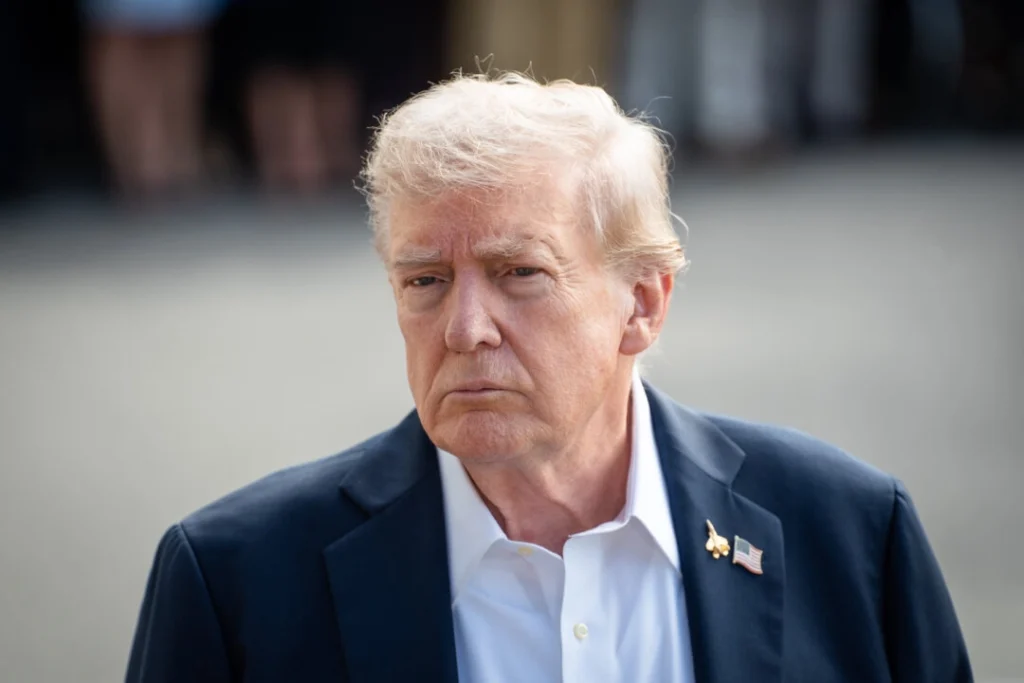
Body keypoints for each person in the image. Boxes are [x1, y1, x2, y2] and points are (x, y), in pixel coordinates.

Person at [125, 72, 973, 683]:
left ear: (641, 303)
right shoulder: (238, 582)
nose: (463, 328)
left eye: (519, 273)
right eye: (425, 280)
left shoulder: (851, 534)